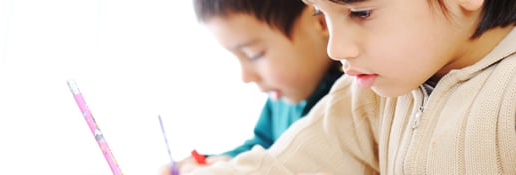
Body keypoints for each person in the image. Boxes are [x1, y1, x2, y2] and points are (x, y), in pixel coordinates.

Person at [188, 0, 516, 174]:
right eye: (320, 12)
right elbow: (283, 167)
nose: (335, 48)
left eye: (360, 12)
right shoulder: (366, 96)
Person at [158, 0, 342, 174]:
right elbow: (261, 146)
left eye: (254, 54)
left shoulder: (349, 103)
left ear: (321, 20)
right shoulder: (282, 98)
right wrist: (219, 162)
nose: (245, 77)